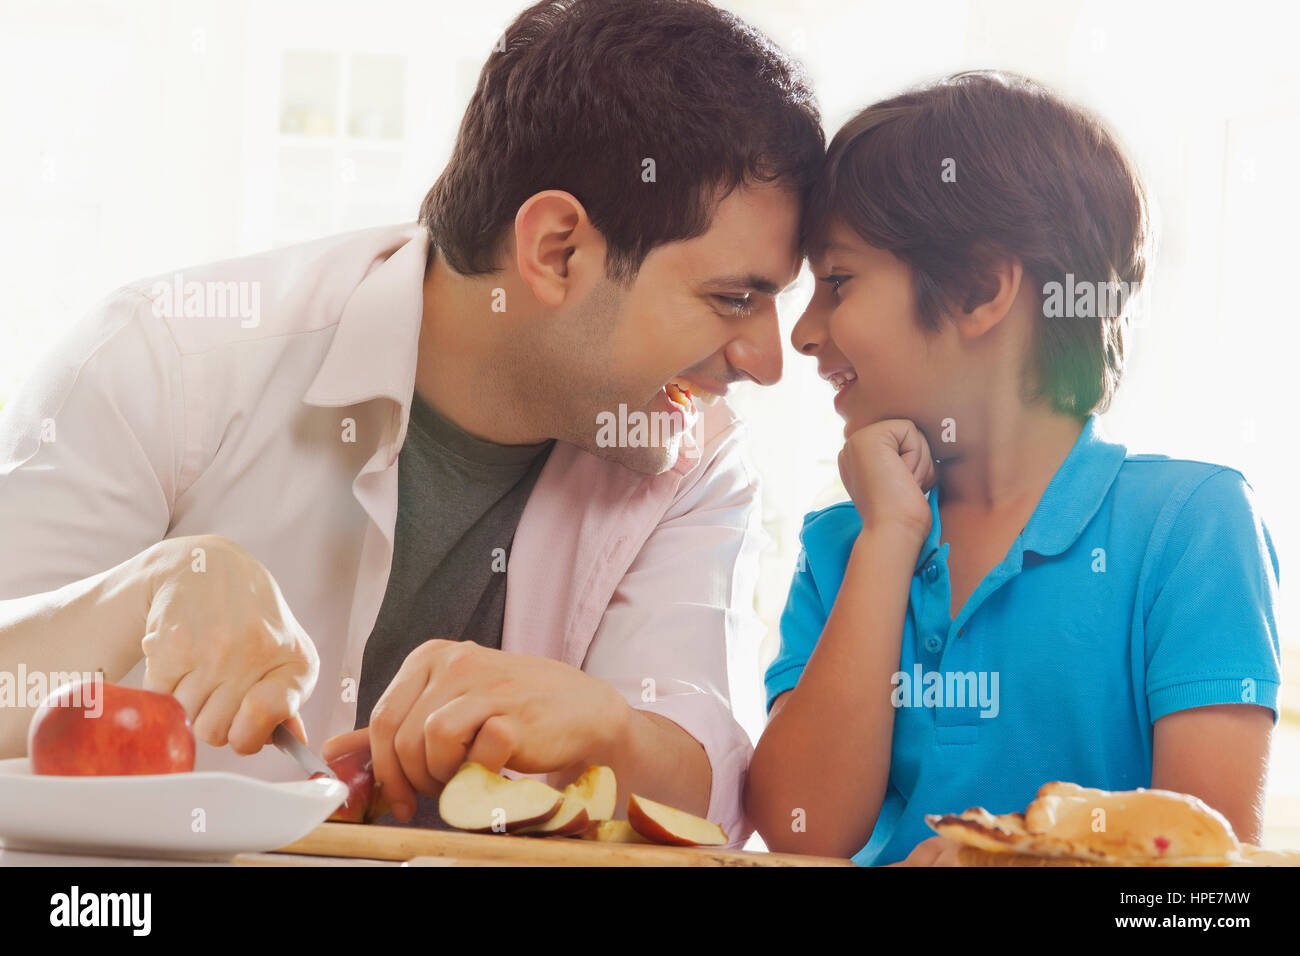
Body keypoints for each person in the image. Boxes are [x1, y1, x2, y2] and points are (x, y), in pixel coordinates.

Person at [0, 0, 823, 844]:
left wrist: (611, 728)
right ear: (556, 251)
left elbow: (704, 797)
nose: (767, 360)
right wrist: (145, 588)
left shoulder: (694, 457)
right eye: (733, 298)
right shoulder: (164, 365)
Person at [745, 71, 1281, 865]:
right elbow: (802, 830)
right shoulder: (843, 542)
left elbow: (1205, 877)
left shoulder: (1191, 525)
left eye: (838, 283)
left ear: (978, 288)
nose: (804, 335)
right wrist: (890, 536)